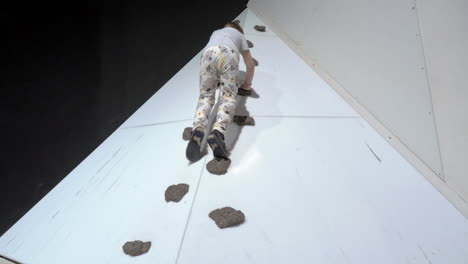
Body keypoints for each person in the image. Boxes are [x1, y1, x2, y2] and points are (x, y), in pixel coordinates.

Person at [186, 21, 255, 162]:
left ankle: (198, 128)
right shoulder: (240, 36)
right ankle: (218, 132)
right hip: (228, 54)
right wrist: (247, 84)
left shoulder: (216, 32)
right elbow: (249, 63)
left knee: (205, 96)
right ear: (239, 30)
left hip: (207, 54)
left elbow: (215, 60)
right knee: (228, 97)